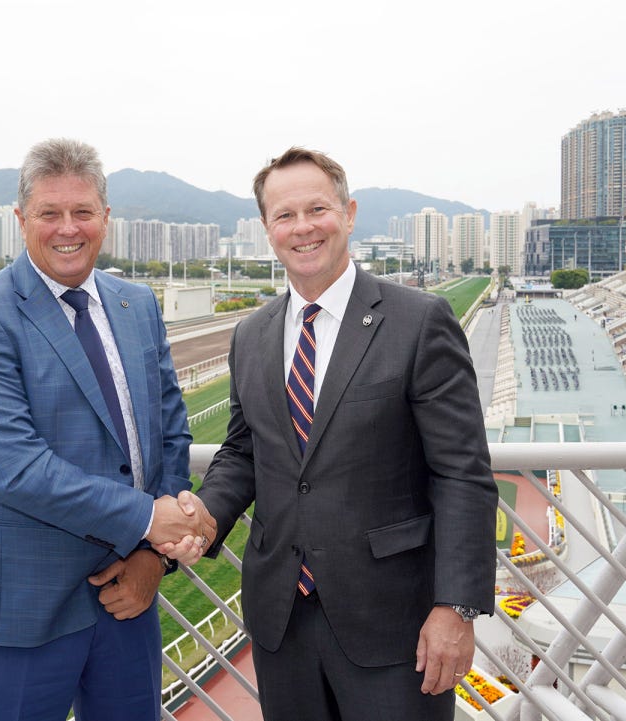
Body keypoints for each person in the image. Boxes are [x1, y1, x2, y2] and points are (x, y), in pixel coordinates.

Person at [164, 147, 498, 720]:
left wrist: (456, 608)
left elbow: (461, 473)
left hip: (395, 623)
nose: (303, 228)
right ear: (267, 228)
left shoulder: (419, 321)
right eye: (284, 215)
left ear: (349, 213)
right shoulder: (252, 335)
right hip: (281, 620)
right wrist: (207, 515)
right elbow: (244, 451)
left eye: (317, 209)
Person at [0, 138, 214, 721]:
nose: (68, 228)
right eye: (50, 213)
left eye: (83, 212)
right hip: (21, 609)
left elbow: (170, 432)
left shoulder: (137, 304)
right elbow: (15, 469)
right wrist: (149, 520)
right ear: (21, 220)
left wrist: (152, 557)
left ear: (105, 217)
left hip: (126, 598)